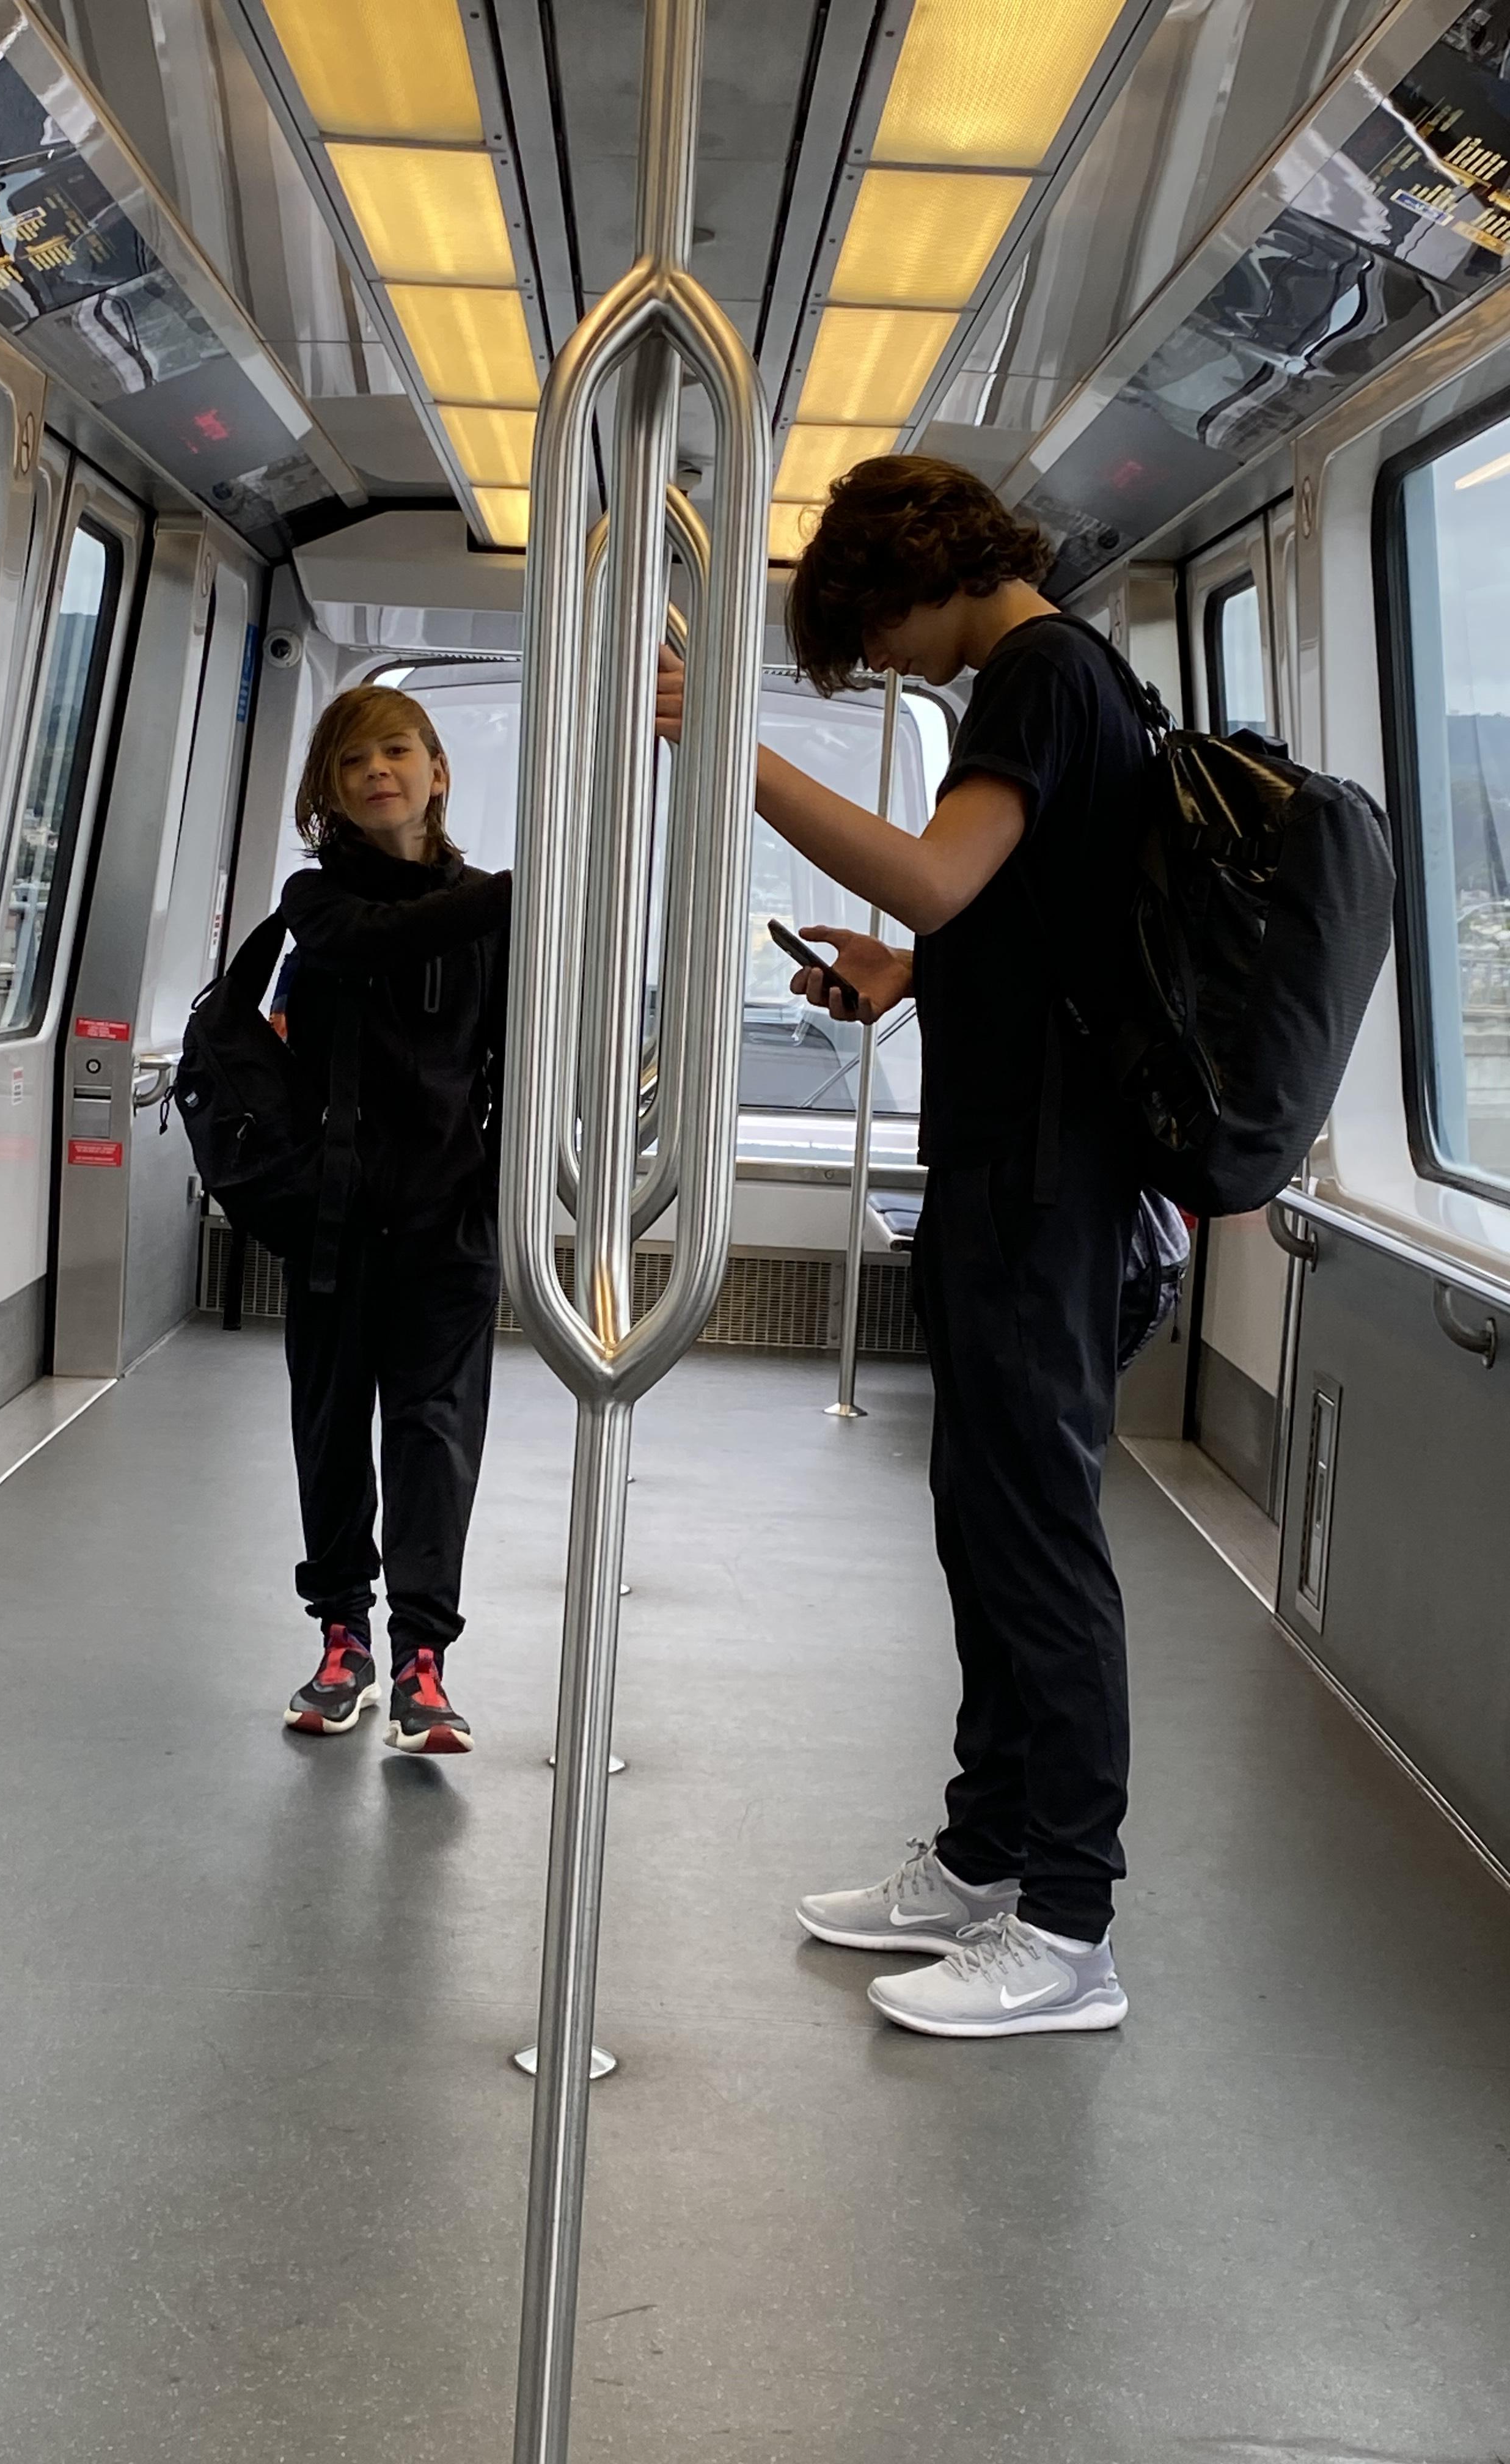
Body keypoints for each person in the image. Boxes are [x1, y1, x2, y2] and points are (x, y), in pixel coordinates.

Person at [658, 455, 1148, 2037]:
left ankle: (1068, 1926)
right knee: (984, 1529)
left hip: (1041, 1183)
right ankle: (988, 1853)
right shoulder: (1055, 684)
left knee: (1038, 1544)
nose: (878, 661)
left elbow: (942, 875)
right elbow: (1032, 921)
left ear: (927, 566)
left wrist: (734, 757)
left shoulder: (1043, 673)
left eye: (873, 628)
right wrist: (914, 972)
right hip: (1008, 1169)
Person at [270, 683, 510, 1755]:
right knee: (331, 1432)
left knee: (434, 1436)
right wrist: (517, 894)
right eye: (354, 760)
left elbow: (515, 1055)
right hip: (336, 1221)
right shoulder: (316, 903)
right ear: (329, 790)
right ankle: (341, 1641)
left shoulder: (488, 916)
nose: (379, 771)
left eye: (399, 751)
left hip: (449, 1221)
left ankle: (422, 1659)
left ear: (438, 772)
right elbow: (378, 938)